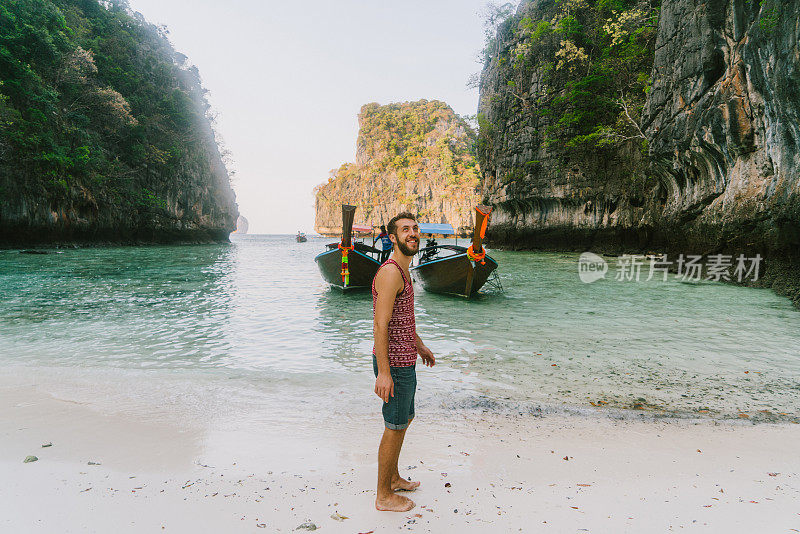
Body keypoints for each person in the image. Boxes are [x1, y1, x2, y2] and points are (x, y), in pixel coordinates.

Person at [371, 212, 435, 512]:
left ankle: (394, 478)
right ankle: (383, 496)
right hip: (393, 365)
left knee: (404, 419)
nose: (412, 233)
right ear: (392, 237)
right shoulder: (391, 272)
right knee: (394, 425)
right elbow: (381, 325)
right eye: (405, 230)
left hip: (405, 360)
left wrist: (419, 345)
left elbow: (403, 319)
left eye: (415, 228)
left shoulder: (405, 271)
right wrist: (384, 373)